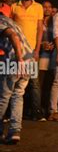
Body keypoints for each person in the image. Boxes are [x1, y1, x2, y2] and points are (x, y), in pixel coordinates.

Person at [11, 0, 44, 121]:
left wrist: (37, 50)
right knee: (13, 82)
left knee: (34, 83)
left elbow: (40, 29)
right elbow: (10, 28)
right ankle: (12, 114)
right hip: (16, 50)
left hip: (31, 51)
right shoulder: (14, 7)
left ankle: (36, 113)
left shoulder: (38, 7)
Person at [0, 13, 35, 144]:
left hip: (17, 60)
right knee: (18, 95)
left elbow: (13, 36)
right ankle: (15, 131)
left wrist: (19, 60)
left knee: (4, 96)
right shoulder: (9, 20)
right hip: (29, 59)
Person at [38, 1, 56, 116]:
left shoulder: (54, 22)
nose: (47, 9)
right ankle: (36, 108)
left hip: (51, 57)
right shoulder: (38, 21)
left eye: (49, 7)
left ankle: (45, 109)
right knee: (38, 84)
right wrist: (41, 45)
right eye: (45, 7)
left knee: (48, 85)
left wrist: (53, 45)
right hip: (39, 56)